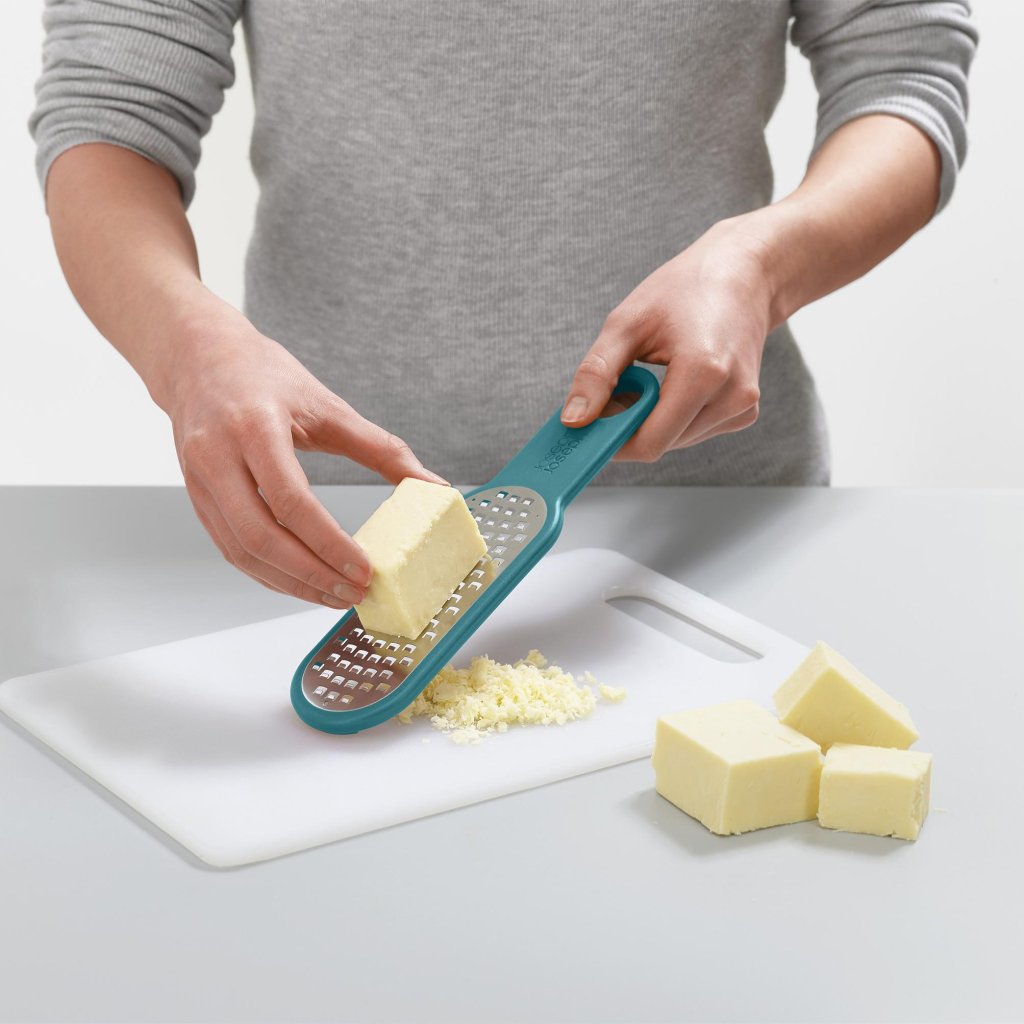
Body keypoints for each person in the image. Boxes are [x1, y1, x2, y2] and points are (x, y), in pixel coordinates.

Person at [30, 1, 976, 610]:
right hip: (325, 540)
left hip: (709, 532)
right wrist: (185, 347)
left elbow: (902, 71)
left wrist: (762, 265)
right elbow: (110, 111)